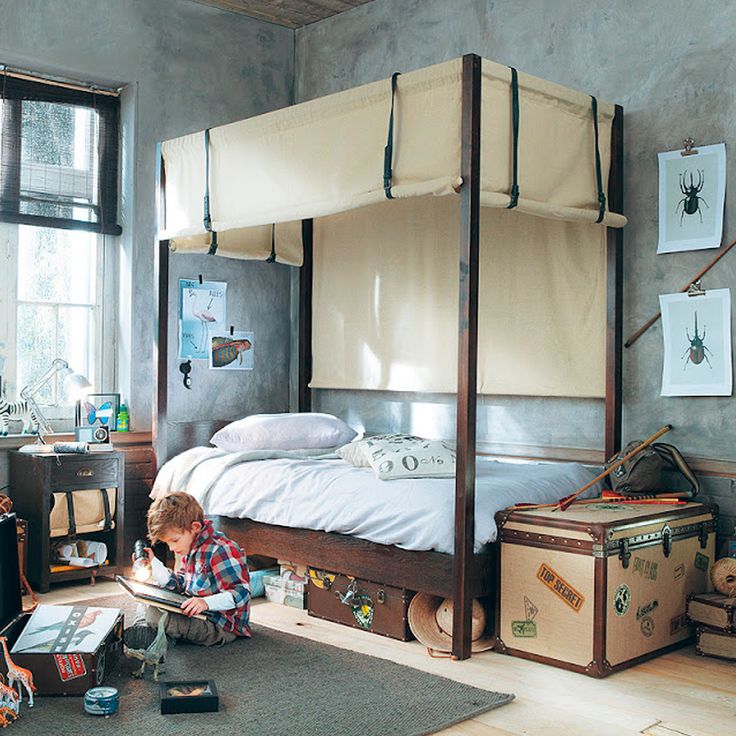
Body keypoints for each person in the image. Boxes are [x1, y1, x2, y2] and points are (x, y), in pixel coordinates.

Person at [125, 492, 251, 648]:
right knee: (145, 600)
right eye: (167, 543)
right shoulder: (190, 549)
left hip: (219, 625)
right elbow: (179, 584)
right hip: (195, 612)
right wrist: (154, 564)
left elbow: (242, 593)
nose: (172, 548)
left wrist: (206, 603)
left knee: (154, 614)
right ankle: (145, 630)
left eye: (174, 540)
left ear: (195, 527)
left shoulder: (221, 550)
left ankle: (157, 634)